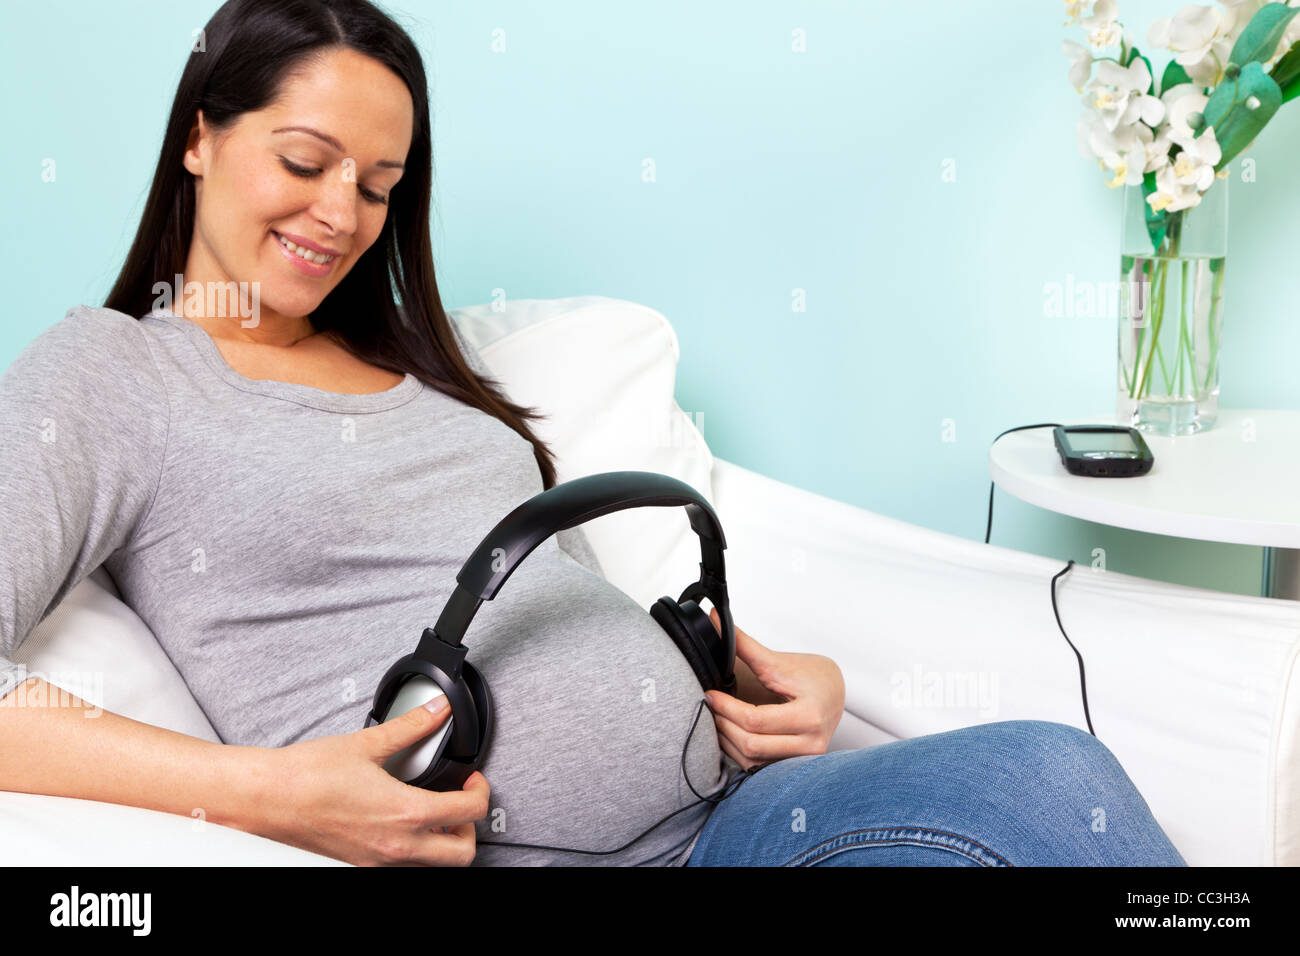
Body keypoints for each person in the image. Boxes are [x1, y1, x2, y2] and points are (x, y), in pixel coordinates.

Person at [0, 0, 1184, 868]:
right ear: (201, 136)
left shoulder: (415, 360)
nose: (339, 213)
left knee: (1048, 770)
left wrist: (782, 689)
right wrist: (256, 794)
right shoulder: (115, 372)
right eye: (303, 162)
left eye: (378, 184)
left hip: (738, 812)